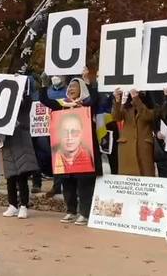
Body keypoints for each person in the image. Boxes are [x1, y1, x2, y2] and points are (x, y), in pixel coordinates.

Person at [39, 68, 102, 226]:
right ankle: (71, 211)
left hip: (85, 153)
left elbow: (94, 98)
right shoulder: (62, 105)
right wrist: (43, 84)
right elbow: (45, 101)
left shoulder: (87, 105)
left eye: (75, 86)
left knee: (84, 184)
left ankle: (85, 213)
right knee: (68, 183)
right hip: (66, 154)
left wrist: (87, 80)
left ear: (82, 89)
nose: (71, 89)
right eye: (70, 87)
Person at [1, 76, 39, 219]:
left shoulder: (25, 102)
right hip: (8, 141)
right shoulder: (4, 103)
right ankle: (12, 205)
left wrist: (22, 83)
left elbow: (28, 98)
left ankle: (23, 205)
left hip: (21, 140)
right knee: (10, 176)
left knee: (22, 176)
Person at [112, 88, 156, 176]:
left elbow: (147, 116)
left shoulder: (151, 106)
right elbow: (116, 117)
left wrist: (136, 99)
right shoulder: (126, 106)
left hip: (143, 146)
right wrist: (117, 100)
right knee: (127, 177)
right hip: (126, 146)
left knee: (145, 175)